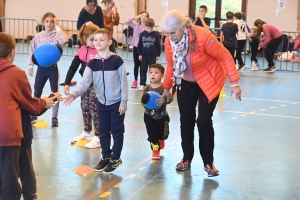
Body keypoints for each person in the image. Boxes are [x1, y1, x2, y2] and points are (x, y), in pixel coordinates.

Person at [160, 10, 241, 177]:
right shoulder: (169, 42)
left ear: (183, 27)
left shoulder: (203, 36)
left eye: (173, 33)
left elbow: (225, 56)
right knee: (186, 120)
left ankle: (208, 162)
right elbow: (171, 65)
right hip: (185, 83)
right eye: (166, 34)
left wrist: (234, 83)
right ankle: (186, 158)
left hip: (209, 80)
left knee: (203, 120)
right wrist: (166, 89)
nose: (170, 37)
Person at [0, 32, 57, 200]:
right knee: (9, 179)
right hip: (7, 134)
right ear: (12, 52)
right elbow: (29, 104)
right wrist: (45, 102)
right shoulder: (16, 73)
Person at [64, 28, 128, 174]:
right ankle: (106, 156)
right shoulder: (92, 63)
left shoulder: (117, 61)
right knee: (103, 131)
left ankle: (116, 158)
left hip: (117, 103)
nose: (97, 42)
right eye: (95, 39)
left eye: (101, 39)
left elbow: (124, 83)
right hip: (101, 103)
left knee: (117, 132)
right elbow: (84, 84)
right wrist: (74, 95)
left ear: (109, 42)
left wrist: (123, 102)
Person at [64, 22, 101, 149]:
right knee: (85, 108)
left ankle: (98, 137)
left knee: (95, 110)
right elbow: (73, 67)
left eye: (97, 39)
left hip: (97, 86)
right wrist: (67, 82)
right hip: (85, 86)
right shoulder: (82, 50)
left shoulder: (100, 51)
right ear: (85, 39)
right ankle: (87, 132)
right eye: (92, 39)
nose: (95, 42)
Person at [28, 12, 68, 126]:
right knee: (37, 91)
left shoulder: (56, 35)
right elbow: (32, 51)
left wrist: (58, 27)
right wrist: (30, 66)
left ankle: (54, 117)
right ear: (43, 22)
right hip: (41, 68)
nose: (49, 24)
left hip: (52, 68)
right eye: (47, 21)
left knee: (55, 92)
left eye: (52, 21)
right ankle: (33, 114)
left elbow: (64, 40)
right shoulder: (38, 36)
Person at [141, 64, 172, 160]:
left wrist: (164, 100)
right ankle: (155, 150)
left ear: (162, 76)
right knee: (152, 134)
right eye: (150, 72)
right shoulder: (146, 88)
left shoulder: (163, 88)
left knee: (163, 134)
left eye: (156, 72)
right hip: (148, 116)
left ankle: (161, 139)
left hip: (162, 116)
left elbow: (170, 98)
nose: (152, 75)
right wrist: (146, 104)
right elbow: (143, 100)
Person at [125, 11, 149, 88]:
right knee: (136, 64)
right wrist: (136, 17)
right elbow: (127, 22)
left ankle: (143, 82)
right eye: (142, 16)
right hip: (136, 47)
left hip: (144, 48)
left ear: (148, 18)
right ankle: (135, 80)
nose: (143, 17)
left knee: (143, 65)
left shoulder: (148, 28)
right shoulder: (136, 26)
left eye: (145, 16)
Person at [138, 18, 161, 91]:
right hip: (144, 56)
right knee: (143, 70)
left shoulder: (156, 34)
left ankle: (152, 84)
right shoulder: (142, 34)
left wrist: (158, 54)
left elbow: (158, 45)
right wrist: (140, 54)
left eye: (151, 28)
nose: (149, 30)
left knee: (152, 71)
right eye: (148, 28)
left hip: (152, 56)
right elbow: (139, 45)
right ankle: (142, 84)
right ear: (145, 26)